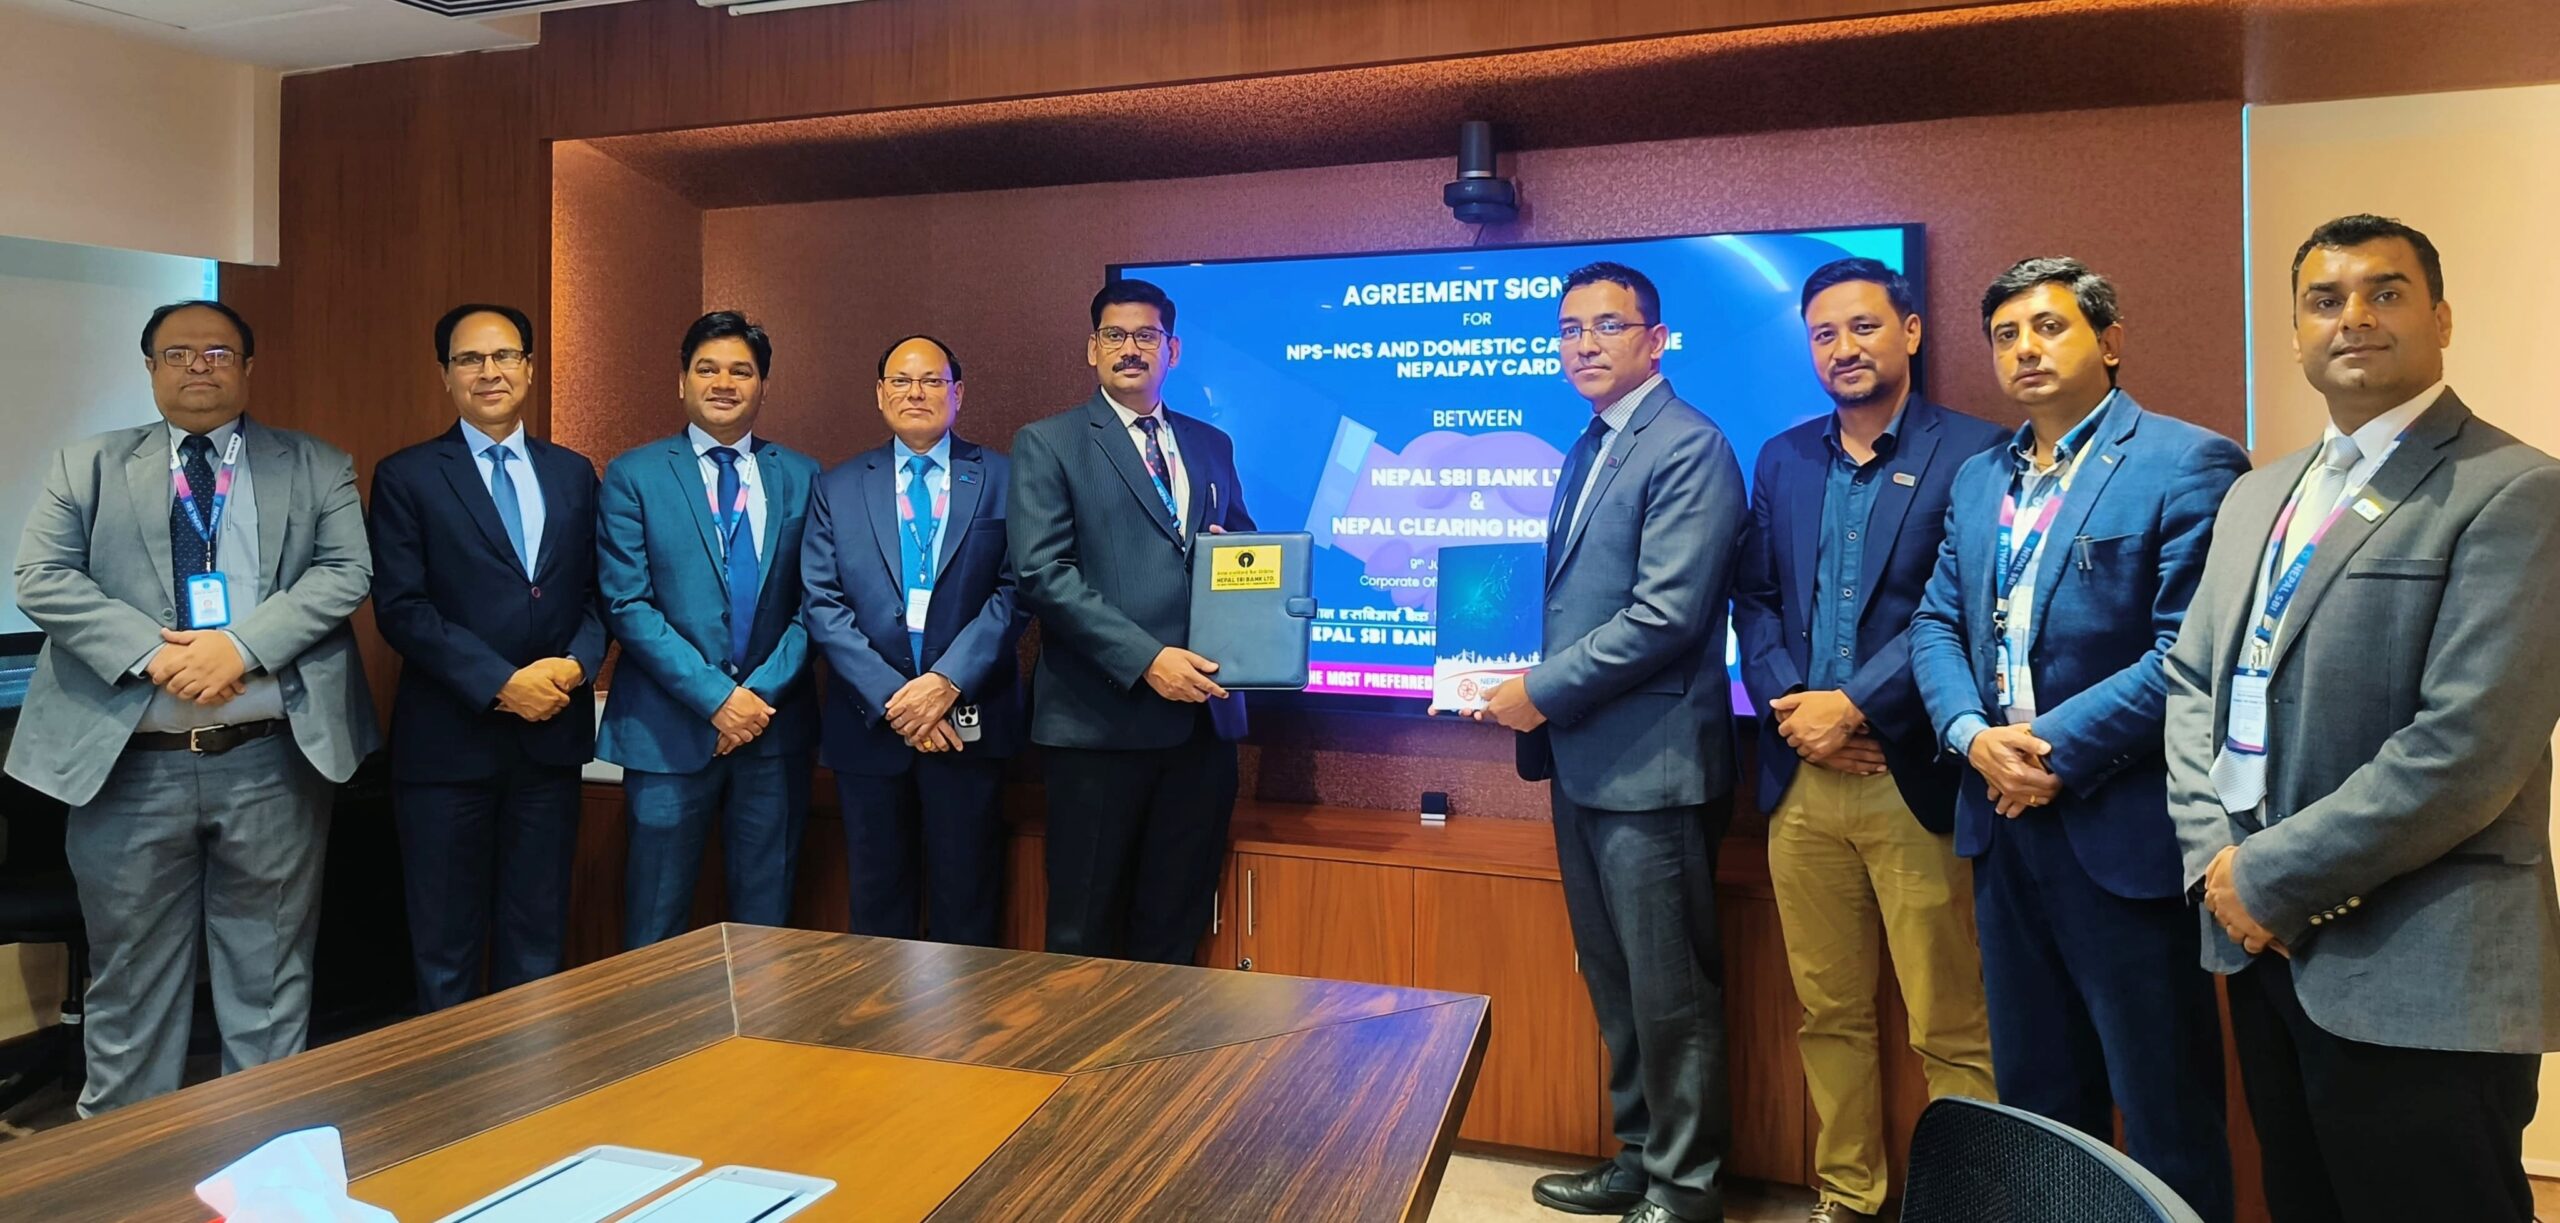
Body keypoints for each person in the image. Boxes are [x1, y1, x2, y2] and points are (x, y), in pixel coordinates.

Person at [2165, 215, 2560, 1223]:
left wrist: (2263, 876)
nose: (2354, 317)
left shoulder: (2516, 489)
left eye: (2385, 292)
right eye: (2324, 299)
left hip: (2420, 962)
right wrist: (2217, 864)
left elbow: (2467, 749)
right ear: (2297, 333)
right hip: (2264, 949)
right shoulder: (2256, 495)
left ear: (2441, 317)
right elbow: (2193, 684)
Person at [1907, 258, 2244, 1221]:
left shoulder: (2187, 461)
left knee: (2164, 1105)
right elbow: (1936, 624)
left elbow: (2188, 653)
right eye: (2007, 334)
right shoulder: (1980, 478)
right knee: (2039, 1104)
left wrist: (2046, 750)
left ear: (2110, 340)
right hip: (2003, 827)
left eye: (2049, 327)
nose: (2026, 348)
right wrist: (1973, 736)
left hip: (2121, 832)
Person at [8, 300, 377, 1114]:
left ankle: (263, 1155)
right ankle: (128, 1164)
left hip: (270, 763)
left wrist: (238, 648)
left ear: (248, 367)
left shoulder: (317, 465)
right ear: (149, 368)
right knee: (130, 985)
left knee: (270, 980)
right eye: (178, 353)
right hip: (130, 770)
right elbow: (41, 576)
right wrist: (156, 652)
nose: (198, 366)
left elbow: (345, 571)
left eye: (218, 352)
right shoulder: (86, 464)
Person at [1732, 258, 2004, 1223]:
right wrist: (1795, 706)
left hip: (1911, 775)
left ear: (1911, 332)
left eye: (1862, 326)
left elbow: (1965, 607)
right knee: (1828, 1013)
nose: (1843, 348)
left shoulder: (1977, 451)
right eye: (1823, 334)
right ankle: (1847, 1194)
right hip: (1800, 783)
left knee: (1951, 1022)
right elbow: (1756, 598)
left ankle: (1965, 1207)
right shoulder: (1783, 457)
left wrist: (1852, 707)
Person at [1481, 262, 1743, 1223]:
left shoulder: (1689, 445)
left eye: (1606, 326)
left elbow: (1667, 615)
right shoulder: (1590, 443)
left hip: (1654, 766)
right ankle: (1640, 1154)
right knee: (1617, 977)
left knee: (1672, 992)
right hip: (1587, 762)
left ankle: (1687, 1186)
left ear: (1655, 339)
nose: (1583, 344)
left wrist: (1539, 691)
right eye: (1568, 329)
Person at [1007, 279, 1254, 964]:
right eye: (1114, 335)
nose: (1130, 349)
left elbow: (1243, 548)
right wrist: (1148, 659)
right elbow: (1042, 573)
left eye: (1146, 335)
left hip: (1202, 726)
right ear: (1092, 349)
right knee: (1084, 932)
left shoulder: (1210, 443)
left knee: (1174, 927)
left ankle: (1160, 1044)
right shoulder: (1049, 442)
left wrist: (1262, 580)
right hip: (1098, 726)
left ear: (1172, 349)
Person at [369, 303, 605, 1011]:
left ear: (529, 368)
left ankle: (529, 1077)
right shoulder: (407, 475)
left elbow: (598, 595)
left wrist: (575, 666)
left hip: (551, 743)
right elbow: (402, 607)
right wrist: (501, 682)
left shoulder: (573, 473)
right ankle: (451, 1080)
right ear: (445, 375)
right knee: (446, 948)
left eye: (504, 356)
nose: (489, 371)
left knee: (538, 940)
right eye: (469, 359)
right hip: (448, 748)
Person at [597, 311, 819, 947]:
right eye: (708, 369)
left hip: (772, 732)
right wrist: (717, 698)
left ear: (763, 385)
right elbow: (627, 603)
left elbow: (818, 603)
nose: (724, 382)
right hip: (666, 735)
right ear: (682, 382)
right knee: (654, 925)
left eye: (741, 371)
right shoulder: (634, 475)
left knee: (765, 928)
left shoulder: (802, 475)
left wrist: (755, 699)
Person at [802, 335, 1024, 945]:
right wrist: (899, 702)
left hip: (969, 722)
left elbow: (1017, 590)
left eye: (932, 380)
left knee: (967, 904)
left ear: (958, 393)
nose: (916, 392)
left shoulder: (1006, 478)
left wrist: (946, 683)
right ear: (880, 394)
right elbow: (822, 603)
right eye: (901, 381)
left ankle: (963, 1015)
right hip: (870, 727)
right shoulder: (838, 486)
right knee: (877, 907)